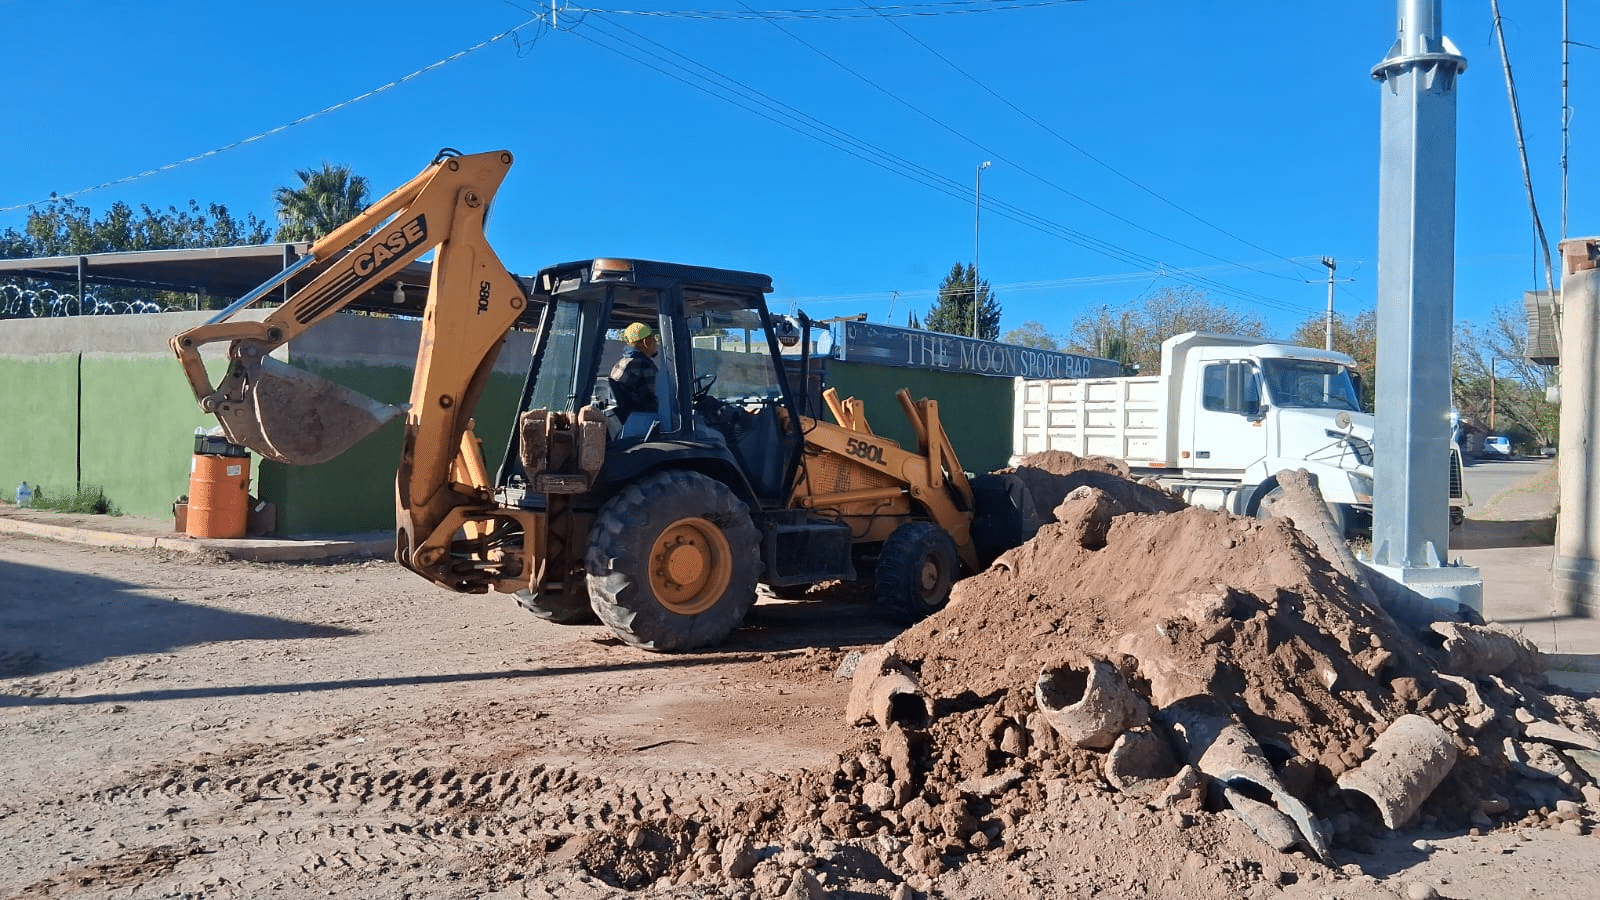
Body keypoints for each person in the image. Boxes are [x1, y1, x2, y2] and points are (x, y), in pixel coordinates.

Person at [609, 321, 660, 421]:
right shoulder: (643, 365)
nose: (656, 342)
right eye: (653, 339)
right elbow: (660, 398)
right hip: (644, 422)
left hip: (627, 420)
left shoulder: (619, 363)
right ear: (646, 342)